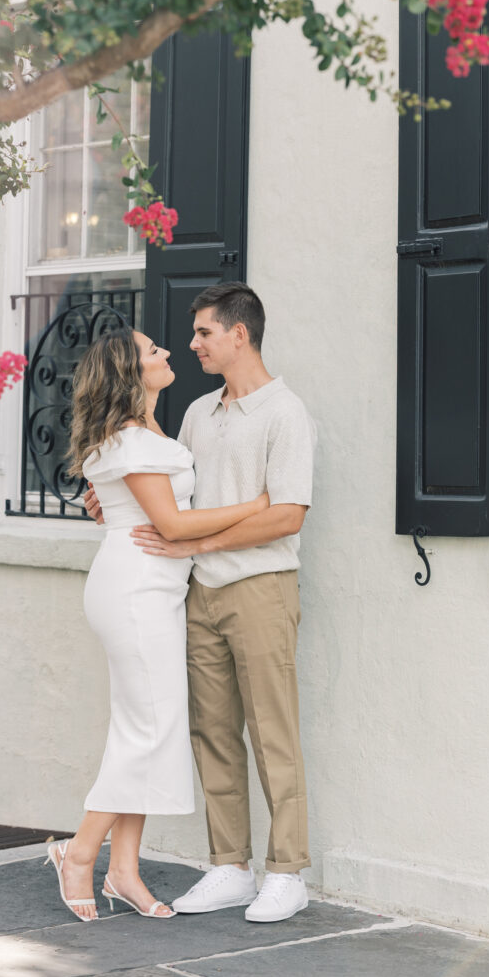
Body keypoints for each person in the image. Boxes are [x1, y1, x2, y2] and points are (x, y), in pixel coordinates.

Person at [85, 282, 316, 923]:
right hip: (198, 596)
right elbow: (165, 490)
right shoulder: (196, 413)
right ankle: (230, 867)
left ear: (238, 334)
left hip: (260, 589)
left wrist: (196, 544)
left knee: (274, 732)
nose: (192, 345)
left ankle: (288, 872)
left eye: (204, 334)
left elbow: (287, 516)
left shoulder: (284, 413)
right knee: (212, 734)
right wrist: (111, 498)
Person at [47, 326, 270, 922]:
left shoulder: (146, 434)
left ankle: (123, 870)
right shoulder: (130, 440)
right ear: (129, 373)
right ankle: (80, 851)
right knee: (147, 729)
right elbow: (171, 525)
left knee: (147, 726)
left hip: (155, 590)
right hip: (137, 589)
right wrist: (256, 506)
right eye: (153, 351)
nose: (167, 352)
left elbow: (139, 510)